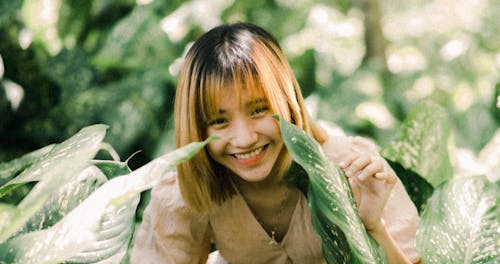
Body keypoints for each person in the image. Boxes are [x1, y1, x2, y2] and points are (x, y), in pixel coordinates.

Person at [131, 22, 421, 264]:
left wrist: (374, 229)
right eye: (219, 121)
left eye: (259, 110)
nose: (244, 139)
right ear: (196, 126)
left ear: (287, 102)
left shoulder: (351, 168)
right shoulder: (187, 194)